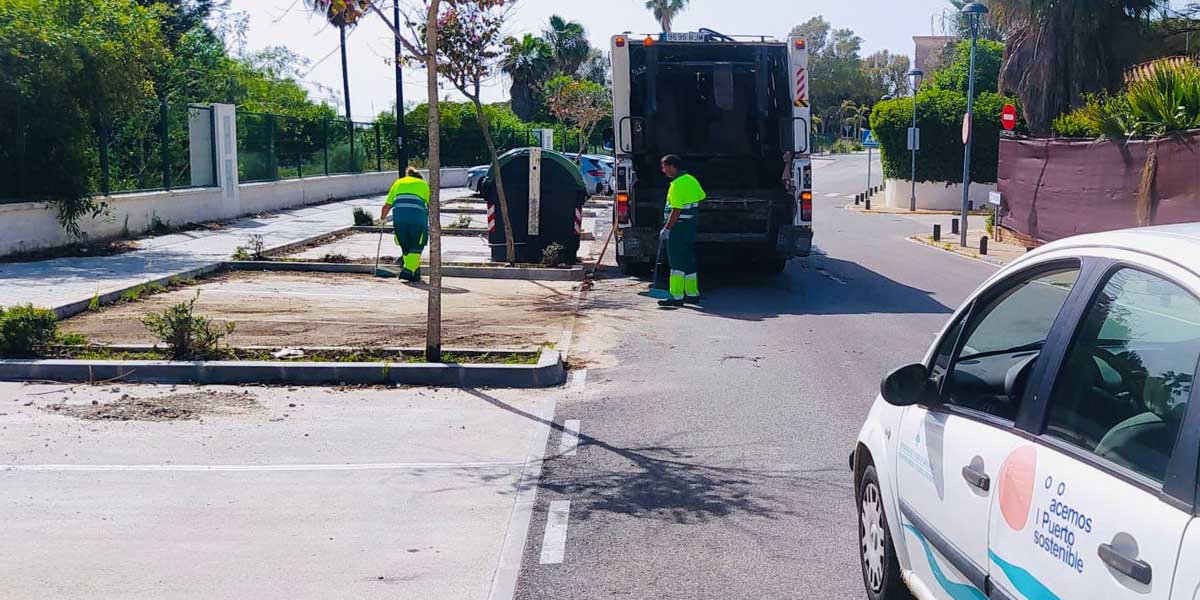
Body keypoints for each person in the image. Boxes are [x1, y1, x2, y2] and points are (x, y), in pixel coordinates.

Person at [658, 154, 706, 308]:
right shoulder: (691, 180)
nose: (663, 170)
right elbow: (701, 196)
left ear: (672, 166)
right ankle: (692, 294)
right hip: (690, 226)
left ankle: (676, 296)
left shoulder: (677, 184)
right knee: (688, 260)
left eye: (664, 166)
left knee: (677, 262)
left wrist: (667, 228)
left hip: (678, 228)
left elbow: (676, 210)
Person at [380, 167, 430, 282]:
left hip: (399, 219)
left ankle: (415, 272)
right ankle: (408, 270)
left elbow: (387, 205)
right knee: (417, 245)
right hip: (417, 219)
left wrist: (382, 219)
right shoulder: (423, 184)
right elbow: (432, 204)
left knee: (405, 244)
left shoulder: (398, 183)